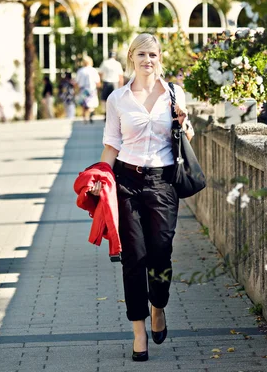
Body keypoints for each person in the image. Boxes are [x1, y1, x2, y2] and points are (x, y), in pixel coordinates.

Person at [90, 33, 194, 362]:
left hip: (163, 183)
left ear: (159, 57)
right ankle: (138, 330)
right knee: (133, 258)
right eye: (142, 54)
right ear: (131, 57)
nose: (148, 60)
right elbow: (111, 144)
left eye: (153, 54)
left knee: (161, 253)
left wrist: (184, 122)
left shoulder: (174, 94)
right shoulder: (117, 99)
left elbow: (188, 136)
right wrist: (98, 178)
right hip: (127, 182)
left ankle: (158, 305)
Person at [76, 55, 101, 123]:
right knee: (91, 103)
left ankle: (84, 119)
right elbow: (97, 81)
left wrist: (77, 89)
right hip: (92, 89)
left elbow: (77, 81)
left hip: (83, 89)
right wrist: (99, 88)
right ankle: (91, 111)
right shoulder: (93, 70)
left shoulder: (80, 71)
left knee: (84, 104)